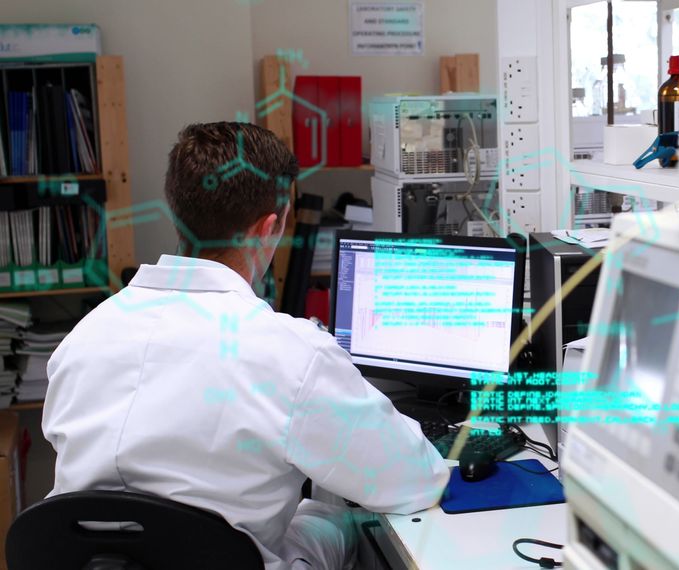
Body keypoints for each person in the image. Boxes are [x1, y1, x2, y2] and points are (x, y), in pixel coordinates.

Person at [42, 122, 449, 569]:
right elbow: (415, 480)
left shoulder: (83, 337)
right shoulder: (291, 353)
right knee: (337, 520)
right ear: (268, 228)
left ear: (177, 214)